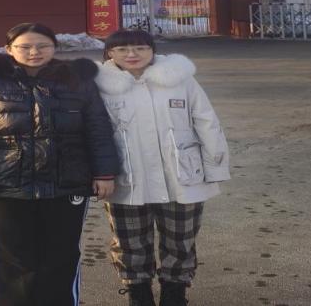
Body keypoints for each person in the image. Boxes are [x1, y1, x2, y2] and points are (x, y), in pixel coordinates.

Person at [0, 22, 119, 306]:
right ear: (9, 49)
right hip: (7, 186)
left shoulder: (77, 81)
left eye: (43, 45)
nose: (34, 52)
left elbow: (98, 128)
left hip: (66, 183)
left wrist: (104, 173)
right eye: (25, 46)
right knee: (12, 260)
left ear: (55, 47)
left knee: (61, 257)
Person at [94, 29, 230, 306]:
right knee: (129, 239)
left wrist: (214, 167)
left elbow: (206, 121)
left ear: (152, 50)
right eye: (122, 49)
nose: (132, 54)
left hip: (181, 175)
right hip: (127, 176)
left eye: (140, 48)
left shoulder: (179, 79)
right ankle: (138, 293)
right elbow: (91, 132)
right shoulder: (99, 85)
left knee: (180, 239)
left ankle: (175, 293)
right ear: (109, 53)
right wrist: (97, 173)